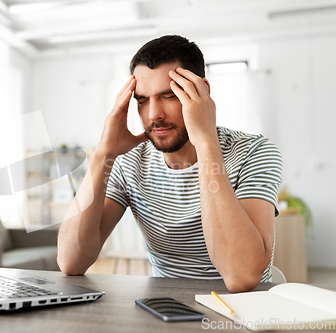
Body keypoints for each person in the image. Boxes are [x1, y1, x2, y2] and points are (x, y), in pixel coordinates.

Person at [57, 35, 282, 293]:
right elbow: (70, 261)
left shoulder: (254, 152)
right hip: (167, 311)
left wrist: (206, 143)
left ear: (201, 92)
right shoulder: (130, 162)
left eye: (168, 96)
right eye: (142, 100)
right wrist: (101, 155)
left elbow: (241, 276)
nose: (153, 115)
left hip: (243, 313)